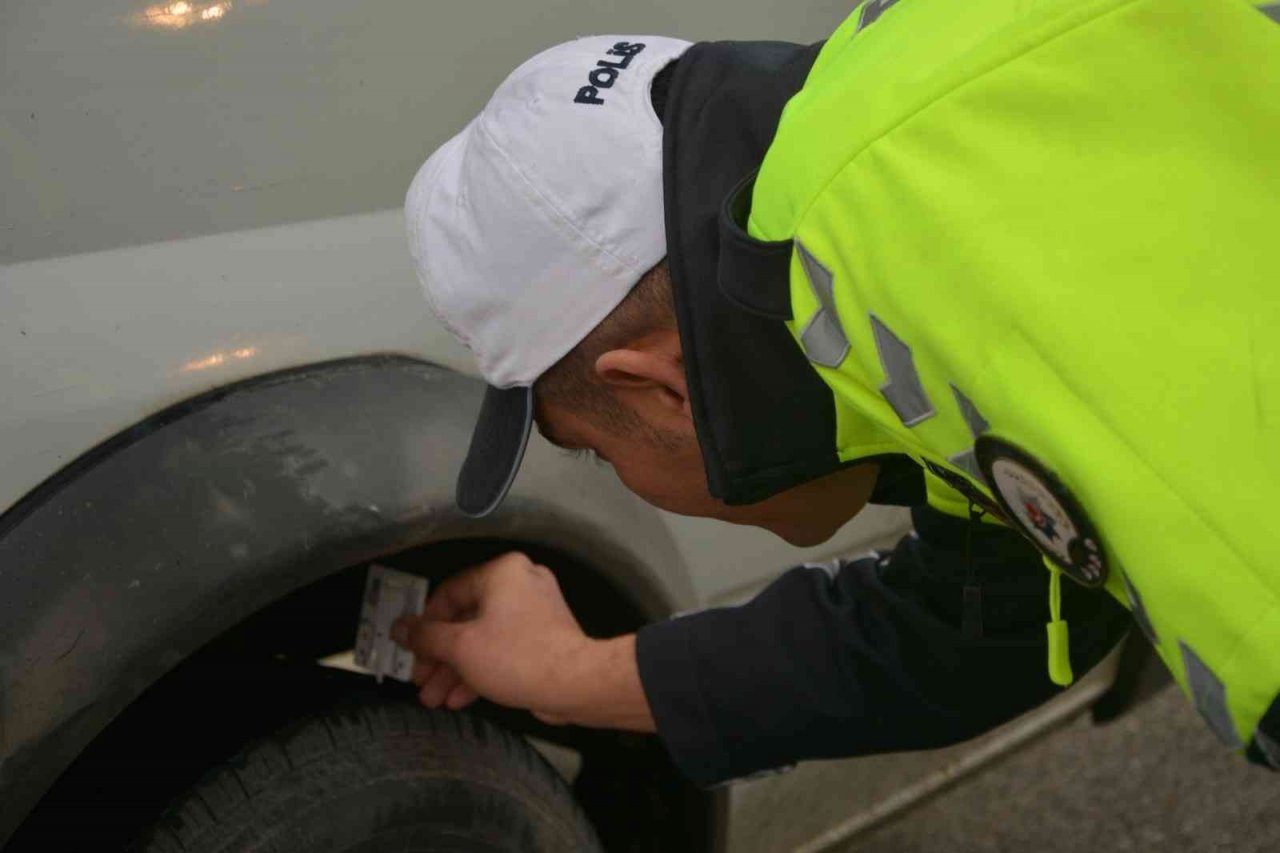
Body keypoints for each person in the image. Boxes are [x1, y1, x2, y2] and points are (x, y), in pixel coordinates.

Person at [396, 0, 1280, 787]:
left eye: (593, 446)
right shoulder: (914, 224)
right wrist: (565, 672)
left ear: (662, 387)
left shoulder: (1034, 334)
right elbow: (968, 621)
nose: (613, 473)